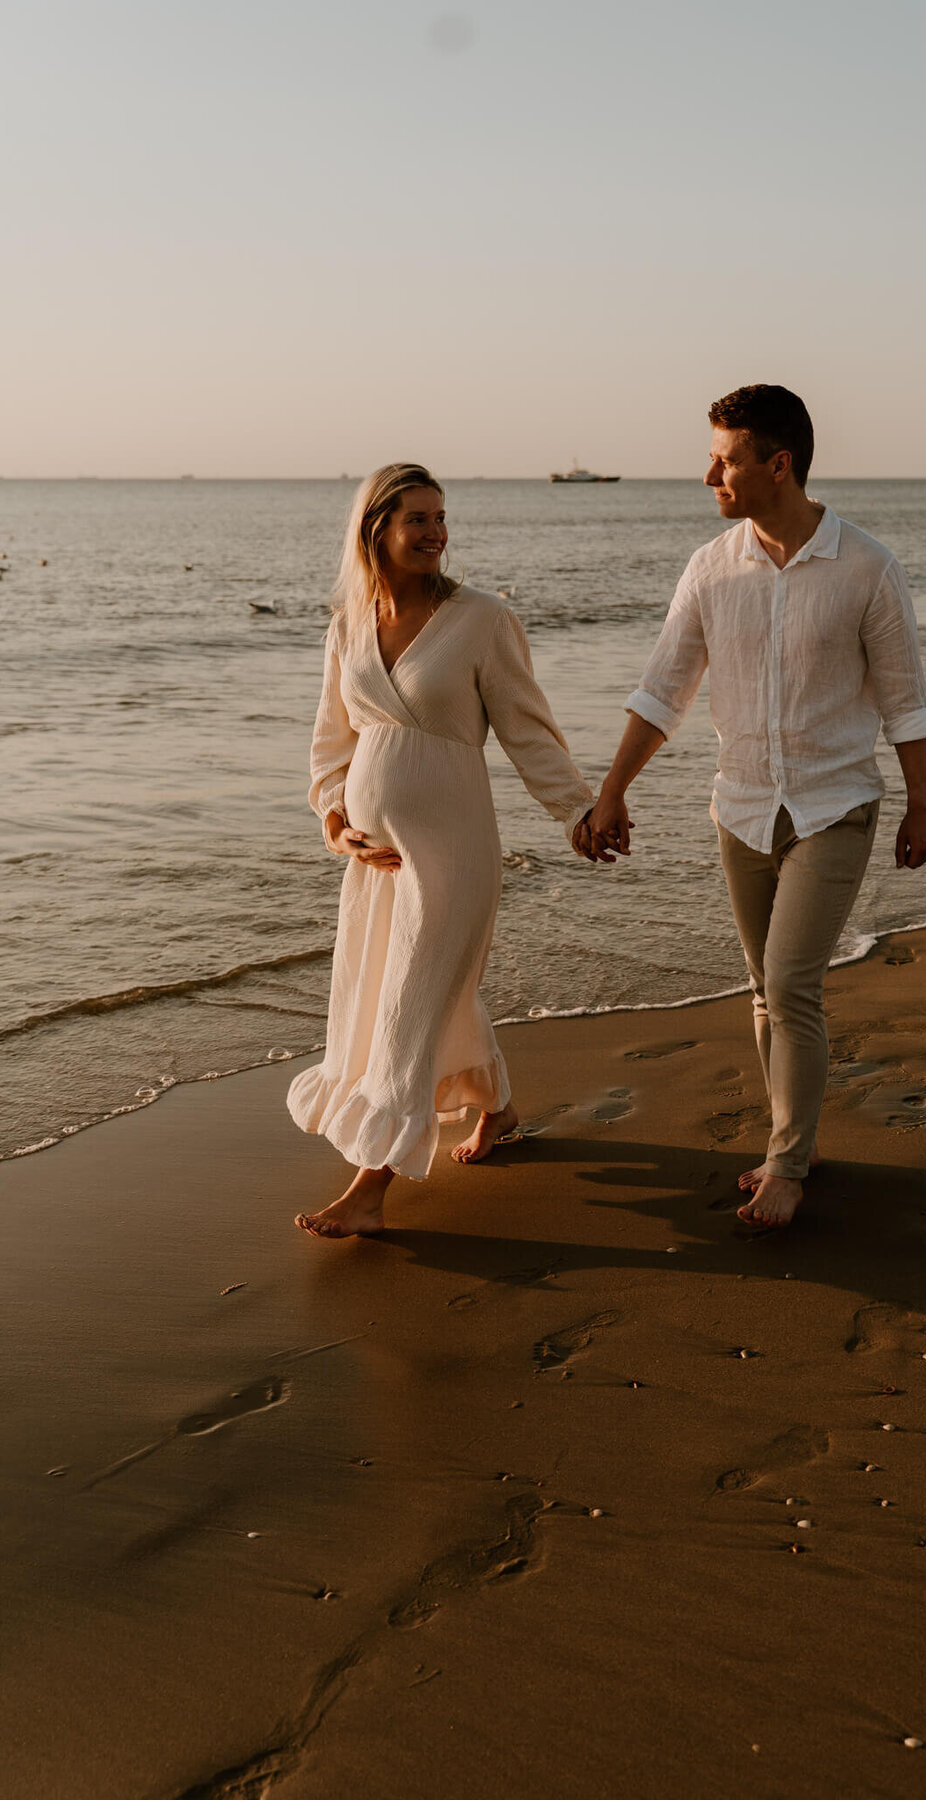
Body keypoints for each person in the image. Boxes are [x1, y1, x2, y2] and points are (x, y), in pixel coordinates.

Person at [575, 385, 926, 1230]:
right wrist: (613, 788)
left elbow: (905, 700)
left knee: (790, 982)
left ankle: (785, 1164)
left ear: (779, 464)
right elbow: (663, 689)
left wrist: (922, 802)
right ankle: (796, 1140)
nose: (711, 474)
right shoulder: (711, 567)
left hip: (835, 804)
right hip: (741, 807)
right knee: (761, 988)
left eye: (728, 458)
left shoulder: (867, 567)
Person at [290, 463, 593, 1240]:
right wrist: (335, 821)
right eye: (417, 519)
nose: (435, 533)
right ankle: (499, 1110)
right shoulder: (348, 627)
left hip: (453, 851)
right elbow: (332, 743)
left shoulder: (481, 619)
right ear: (376, 531)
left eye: (440, 517)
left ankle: (369, 1188)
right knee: (411, 995)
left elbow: (528, 730)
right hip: (375, 860)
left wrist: (579, 811)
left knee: (409, 1009)